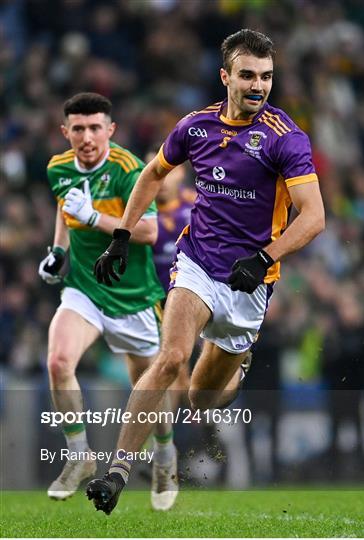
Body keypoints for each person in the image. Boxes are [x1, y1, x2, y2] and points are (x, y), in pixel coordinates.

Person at [87, 29, 325, 514]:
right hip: (197, 261)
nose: (258, 85)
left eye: (267, 76)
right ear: (225, 77)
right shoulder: (195, 127)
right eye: (248, 75)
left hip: (250, 282)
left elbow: (314, 216)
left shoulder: (286, 139)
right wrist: (121, 236)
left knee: (201, 401)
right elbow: (153, 174)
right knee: (171, 357)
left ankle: (238, 364)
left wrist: (264, 258)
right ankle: (117, 471)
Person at [39, 92, 178, 511]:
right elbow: (67, 211)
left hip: (133, 297)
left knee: (148, 386)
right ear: (66, 132)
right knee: (58, 361)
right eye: (78, 128)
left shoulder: (127, 169)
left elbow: (151, 232)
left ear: (110, 130)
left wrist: (96, 217)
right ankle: (80, 455)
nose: (87, 136)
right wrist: (58, 252)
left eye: (95, 127)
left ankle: (166, 456)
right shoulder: (57, 168)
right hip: (84, 288)